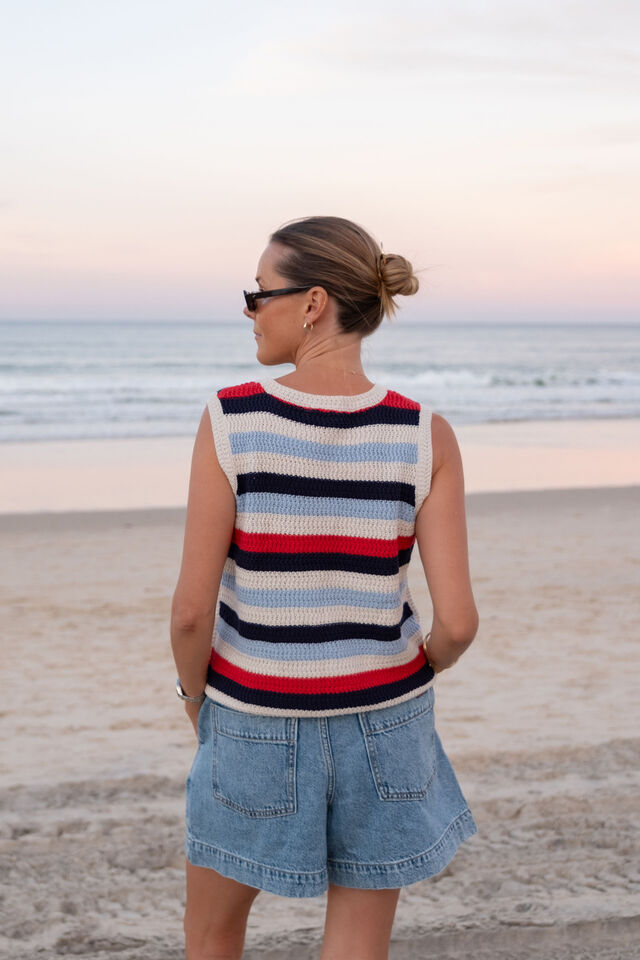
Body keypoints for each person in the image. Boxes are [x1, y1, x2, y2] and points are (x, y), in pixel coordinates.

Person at [170, 215, 479, 960]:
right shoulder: (423, 433)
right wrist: (417, 664)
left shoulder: (232, 419)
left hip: (256, 714)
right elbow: (460, 623)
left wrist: (193, 699)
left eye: (258, 292)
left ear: (311, 303)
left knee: (212, 933)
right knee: (356, 944)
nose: (249, 309)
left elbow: (189, 614)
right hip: (389, 718)